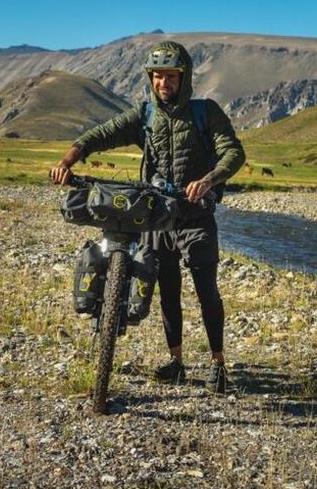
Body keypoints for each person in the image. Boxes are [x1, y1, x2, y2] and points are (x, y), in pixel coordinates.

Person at [50, 41, 246, 393]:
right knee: (167, 290)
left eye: (170, 76)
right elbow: (100, 134)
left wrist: (209, 180)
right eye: (157, 76)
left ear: (183, 77)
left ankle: (218, 363)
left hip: (197, 216)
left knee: (207, 291)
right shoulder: (145, 115)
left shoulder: (206, 112)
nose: (162, 83)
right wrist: (66, 161)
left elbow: (233, 152)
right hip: (158, 217)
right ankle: (176, 362)